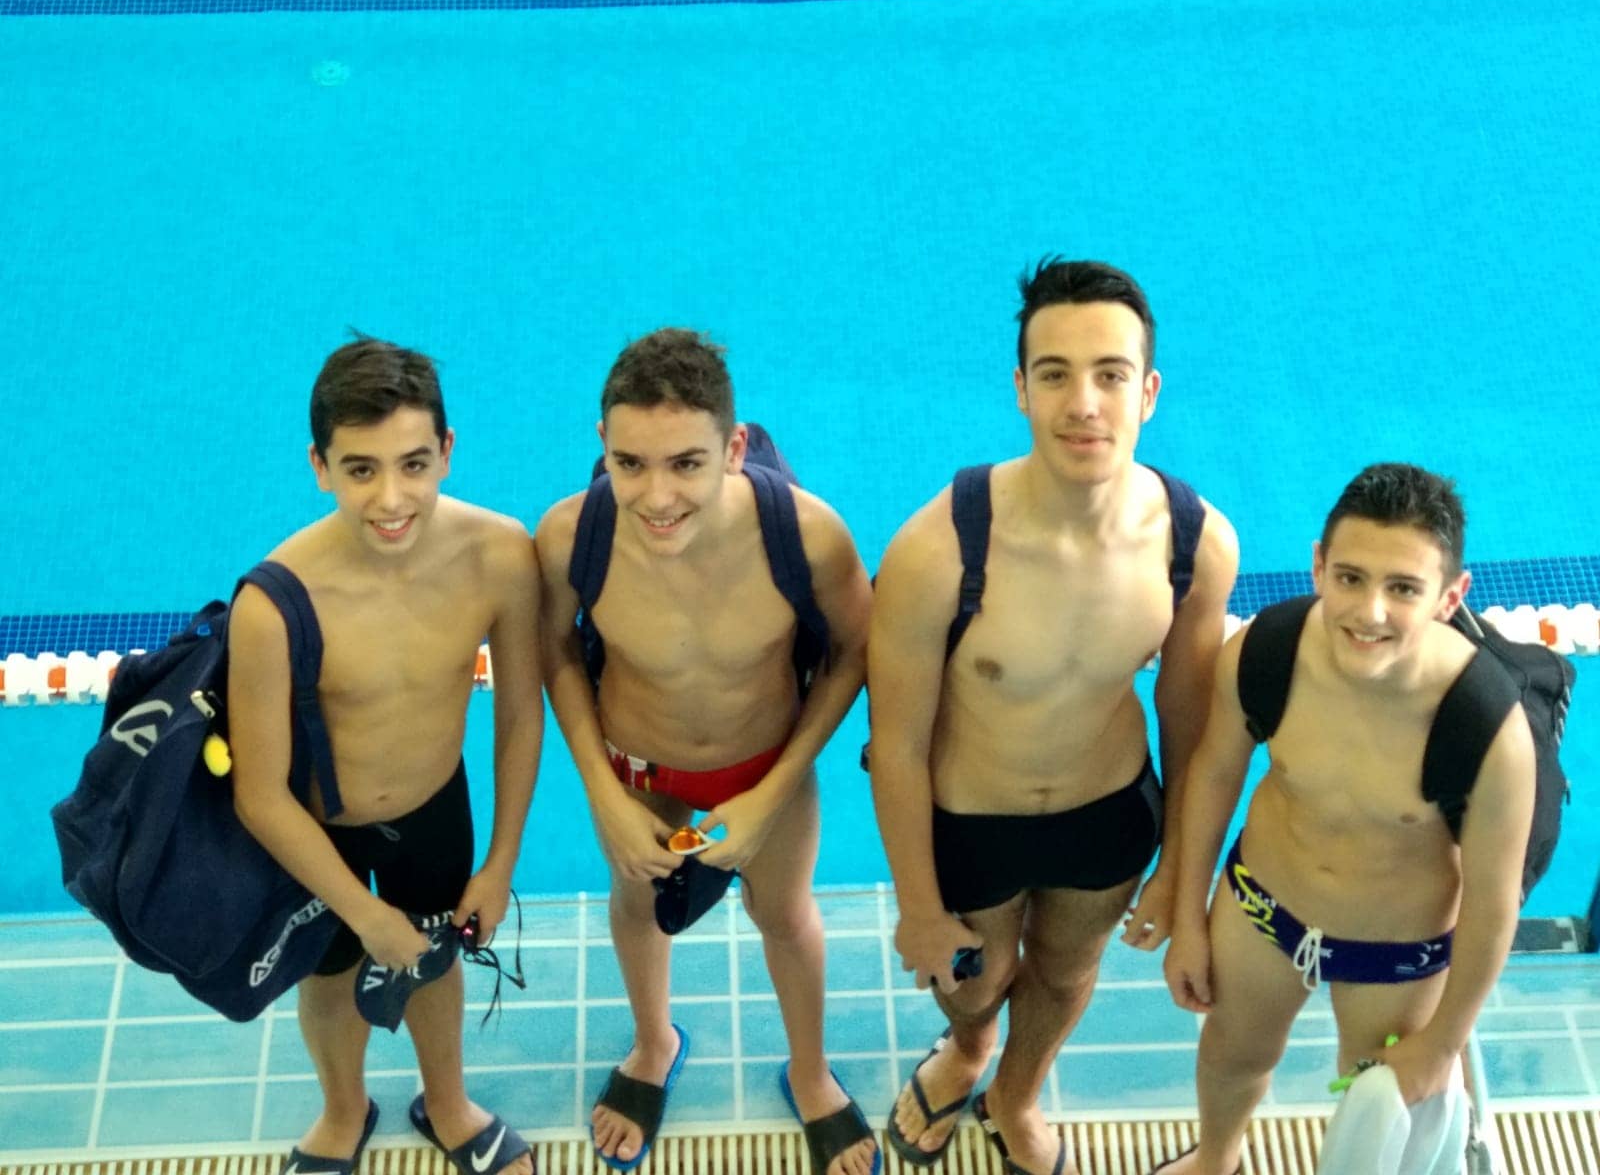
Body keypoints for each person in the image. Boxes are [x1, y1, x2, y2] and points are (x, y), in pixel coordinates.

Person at [869, 259, 1239, 1175]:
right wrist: (919, 907)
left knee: (1069, 971)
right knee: (976, 981)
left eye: (1110, 374)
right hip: (971, 818)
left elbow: (1190, 728)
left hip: (1106, 812)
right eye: (1056, 374)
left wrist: (1177, 875)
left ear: (1147, 392)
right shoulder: (939, 549)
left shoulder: (1194, 544)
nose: (1084, 404)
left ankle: (1017, 1092)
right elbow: (897, 745)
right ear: (1021, 390)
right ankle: (967, 1051)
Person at [534, 328, 877, 1175]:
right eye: (630, 463)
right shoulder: (572, 537)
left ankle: (809, 1070)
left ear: (733, 448)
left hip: (765, 766)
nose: (656, 497)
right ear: (603, 445)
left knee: (785, 915)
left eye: (686, 464)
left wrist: (773, 792)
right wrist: (603, 793)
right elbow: (555, 652)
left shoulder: (807, 536)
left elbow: (855, 653)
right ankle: (653, 1043)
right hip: (636, 769)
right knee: (636, 903)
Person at [1155, 463, 1535, 1175]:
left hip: (1399, 950)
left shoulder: (1486, 729)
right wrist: (1188, 917)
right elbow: (1212, 776)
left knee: (1375, 1106)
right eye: (1351, 578)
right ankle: (1215, 1160)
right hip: (1263, 909)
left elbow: (1493, 903)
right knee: (1232, 1055)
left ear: (1451, 596)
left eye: (1404, 589)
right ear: (1318, 565)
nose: (1370, 612)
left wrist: (1445, 1043)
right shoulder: (1265, 652)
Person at [229, 338, 542, 1175]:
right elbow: (260, 794)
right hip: (317, 831)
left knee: (436, 967)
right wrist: (365, 918)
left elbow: (520, 717)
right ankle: (343, 1109)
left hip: (435, 808)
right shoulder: (273, 602)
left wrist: (500, 865)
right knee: (330, 975)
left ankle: (449, 1104)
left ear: (447, 450)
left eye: (413, 464)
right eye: (361, 470)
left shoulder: (499, 554)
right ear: (320, 467)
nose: (392, 498)